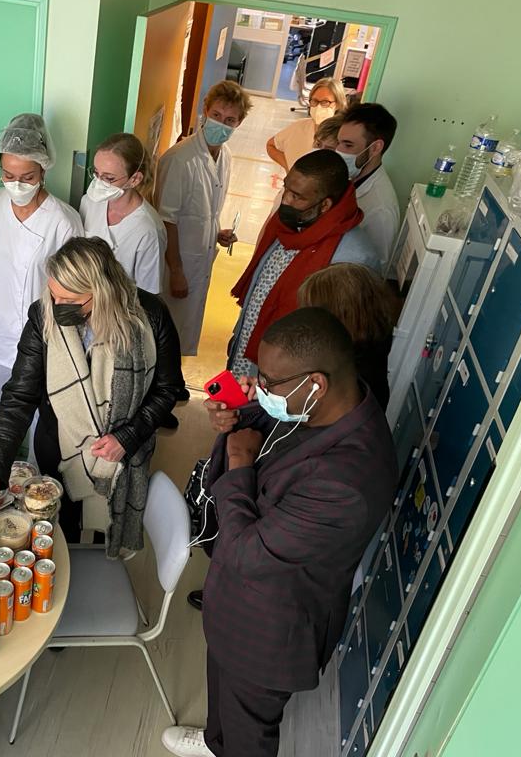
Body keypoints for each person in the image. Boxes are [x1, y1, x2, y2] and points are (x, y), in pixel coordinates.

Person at [161, 307, 397, 757]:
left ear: (315, 384)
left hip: (269, 630)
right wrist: (240, 416)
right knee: (223, 696)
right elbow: (276, 429)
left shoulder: (347, 482)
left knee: (250, 729)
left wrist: (239, 463)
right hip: (234, 607)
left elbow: (247, 554)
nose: (260, 387)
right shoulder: (330, 404)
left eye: (269, 382)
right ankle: (215, 743)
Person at [0, 237, 184, 554]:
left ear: (103, 292)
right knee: (60, 532)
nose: (58, 306)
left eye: (71, 300)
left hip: (121, 456)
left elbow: (168, 388)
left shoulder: (150, 316)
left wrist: (129, 436)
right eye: (54, 294)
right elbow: (19, 397)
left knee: (105, 535)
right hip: (60, 452)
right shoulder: (43, 315)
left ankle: (100, 566)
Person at [226, 150, 378, 380]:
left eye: (297, 196)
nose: (285, 200)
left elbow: (338, 343)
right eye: (286, 188)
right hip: (246, 355)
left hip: (288, 377)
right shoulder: (285, 225)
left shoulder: (353, 257)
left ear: (325, 205)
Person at [0, 113, 83, 424]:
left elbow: (75, 287)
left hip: (44, 331)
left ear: (44, 170)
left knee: (40, 415)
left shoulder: (63, 220)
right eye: (8, 175)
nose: (17, 185)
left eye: (28, 177)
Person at [155, 81, 250, 357]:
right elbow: (167, 220)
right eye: (217, 115)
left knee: (184, 329)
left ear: (239, 123)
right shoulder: (180, 160)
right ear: (205, 111)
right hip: (178, 263)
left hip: (200, 260)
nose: (222, 123)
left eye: (230, 120)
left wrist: (216, 233)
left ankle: (173, 373)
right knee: (167, 331)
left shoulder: (225, 157)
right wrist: (176, 271)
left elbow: (204, 212)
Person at [298, 263, 399, 410]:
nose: (306, 319)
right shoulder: (369, 344)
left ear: (339, 317)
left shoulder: (351, 382)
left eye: (312, 312)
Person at [79, 132, 166, 294]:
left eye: (109, 178)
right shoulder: (89, 202)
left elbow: (149, 293)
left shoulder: (149, 230)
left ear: (134, 179)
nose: (98, 183)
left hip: (121, 306)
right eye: (96, 173)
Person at [335, 102, 400, 274]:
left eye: (348, 145)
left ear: (375, 148)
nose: (338, 150)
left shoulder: (381, 210)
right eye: (338, 142)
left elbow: (371, 272)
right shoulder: (354, 177)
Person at [266, 76, 348, 172]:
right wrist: (289, 167)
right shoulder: (298, 127)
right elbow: (271, 145)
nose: (318, 107)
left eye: (325, 102)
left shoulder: (344, 136)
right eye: (315, 101)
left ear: (338, 104)